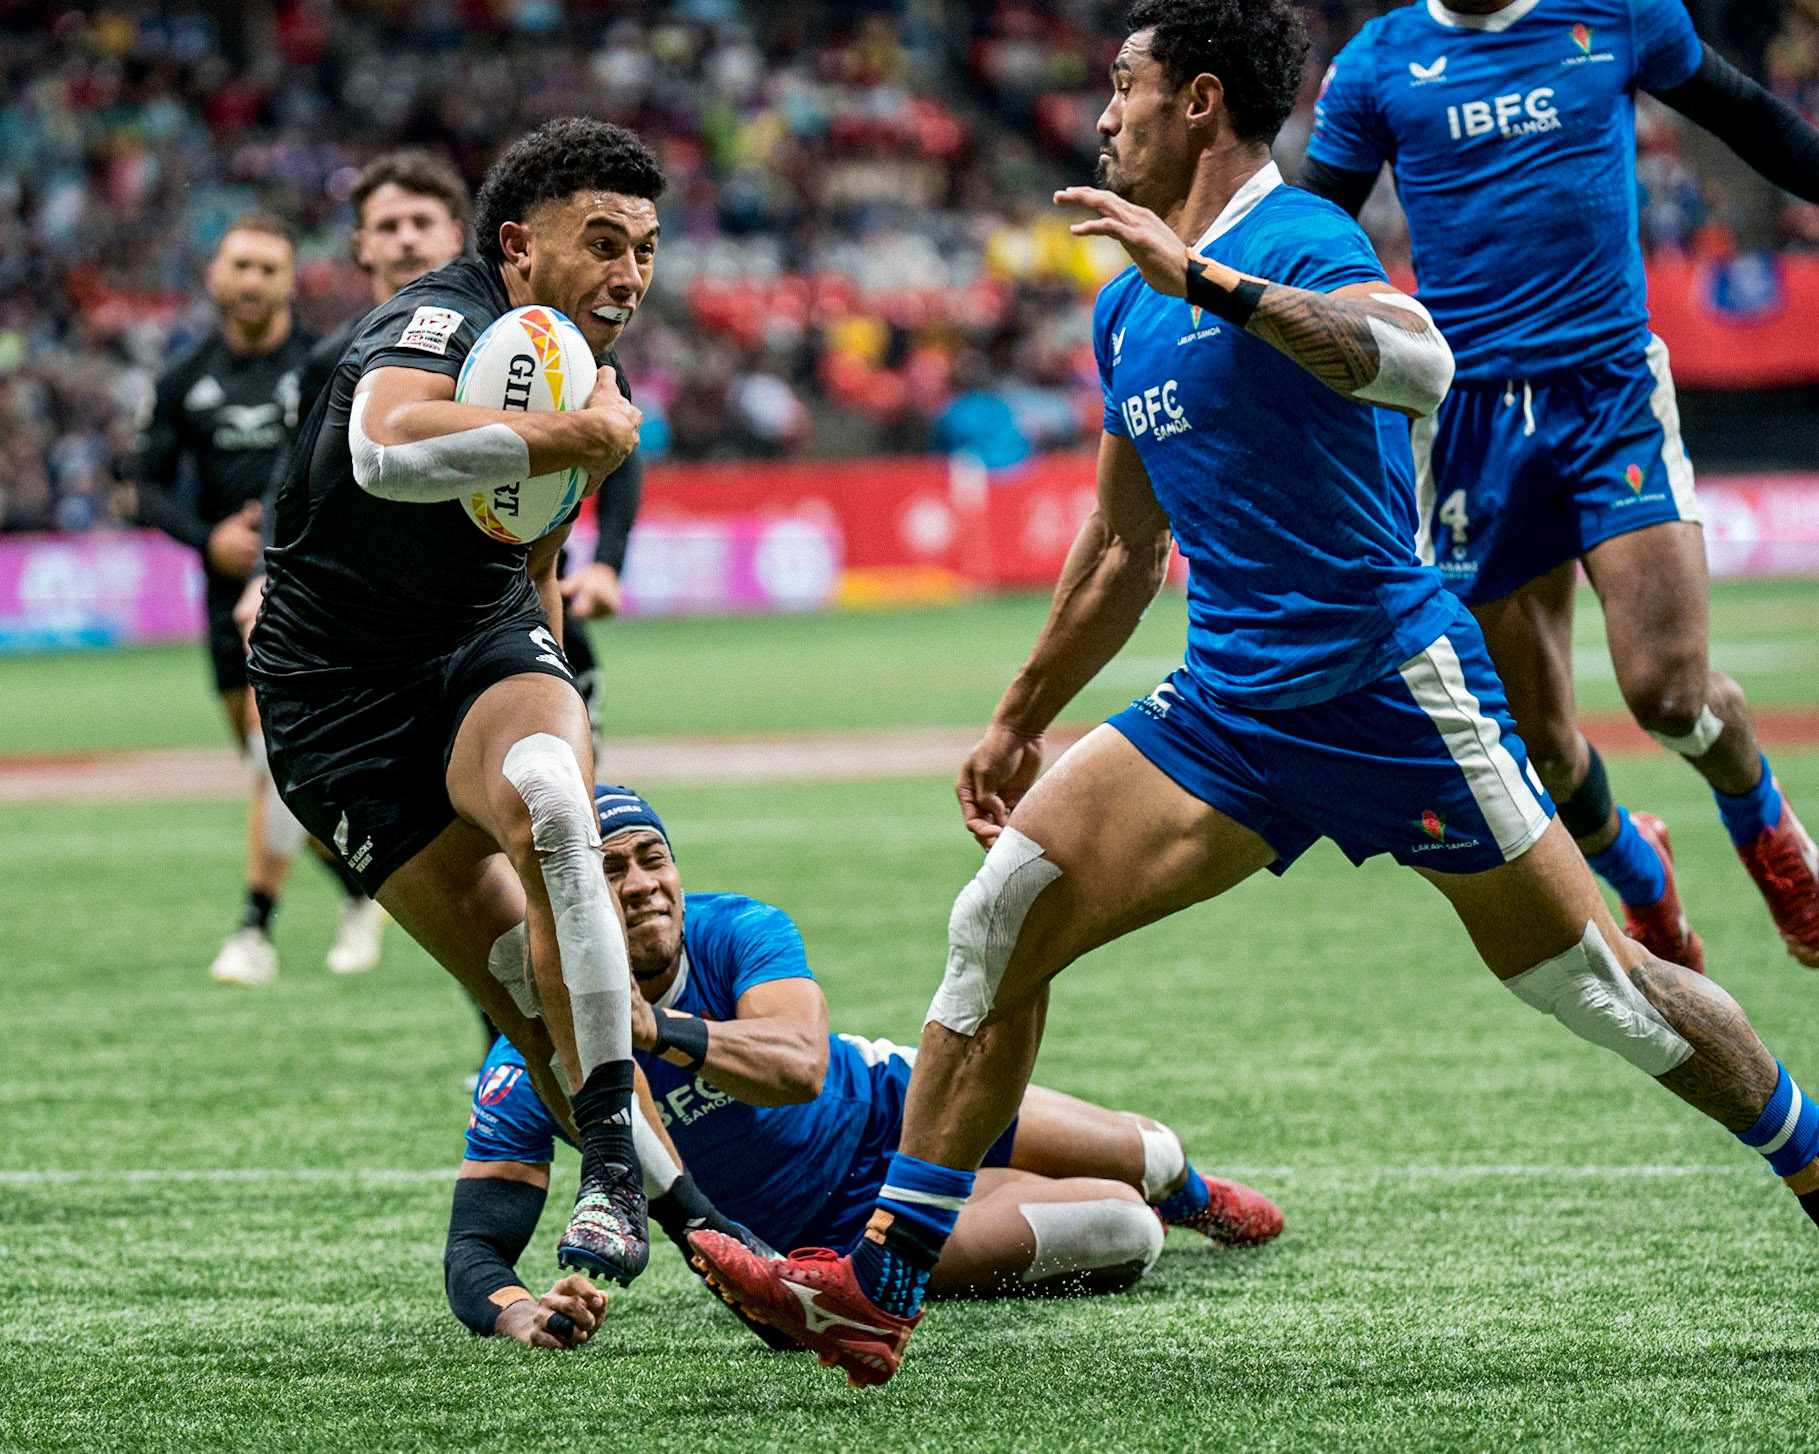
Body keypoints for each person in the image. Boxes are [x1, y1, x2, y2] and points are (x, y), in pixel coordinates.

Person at [689, 0, 1819, 1388]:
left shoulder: (1298, 241)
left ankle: (1811, 1163)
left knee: (1610, 993)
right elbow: (1117, 542)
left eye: (1125, 88)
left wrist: (1208, 284)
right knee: (998, 916)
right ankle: (881, 1285)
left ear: (1202, 103)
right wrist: (1015, 711)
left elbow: (1415, 361)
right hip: (1224, 712)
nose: (1103, 117)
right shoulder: (1120, 304)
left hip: (1394, 699)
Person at [1298, 0, 1819, 969]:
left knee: (1666, 691)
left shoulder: (1617, 12)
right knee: (1537, 742)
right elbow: (1311, 227)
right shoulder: (1378, 62)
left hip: (1606, 388)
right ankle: (1641, 876)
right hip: (1466, 418)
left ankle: (1771, 835)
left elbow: (1746, 116)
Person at [247, 118, 658, 1285]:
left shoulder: (585, 362)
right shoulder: (439, 316)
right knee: (524, 999)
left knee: (551, 801)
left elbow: (531, 557)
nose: (629, 273)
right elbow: (384, 450)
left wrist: (562, 691)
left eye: (646, 246)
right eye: (603, 242)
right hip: (334, 698)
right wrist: (571, 435)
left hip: (477, 638)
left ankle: (616, 1186)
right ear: (519, 247)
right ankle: (694, 1221)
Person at [442, 786, 1282, 1348]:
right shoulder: (534, 1059)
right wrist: (522, 1315)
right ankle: (1055, 1219)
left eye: (652, 858)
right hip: (831, 1237)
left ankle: (1196, 1200)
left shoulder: (734, 930)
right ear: (570, 906)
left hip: (901, 1105)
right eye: (608, 870)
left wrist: (656, 1029)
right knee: (1121, 1226)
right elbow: (474, 1248)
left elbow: (800, 1067)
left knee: (1155, 1156)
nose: (641, 886)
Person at [236, 150, 645, 988]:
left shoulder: (565, 352)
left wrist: (600, 565)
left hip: (502, 629)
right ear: (362, 249)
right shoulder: (339, 362)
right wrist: (264, 578)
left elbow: (604, 460)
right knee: (498, 913)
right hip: (359, 655)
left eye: (422, 222)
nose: (406, 239)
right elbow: (306, 484)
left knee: (562, 854)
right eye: (387, 226)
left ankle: (610, 1042)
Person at [133, 215, 323, 987]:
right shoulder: (184, 382)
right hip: (220, 598)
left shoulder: (320, 366)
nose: (252, 281)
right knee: (271, 767)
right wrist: (206, 537)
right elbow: (143, 486)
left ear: (289, 280)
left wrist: (281, 544)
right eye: (240, 266)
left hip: (300, 591)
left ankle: (254, 927)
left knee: (270, 759)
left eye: (268, 268)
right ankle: (357, 893)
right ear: (213, 276)